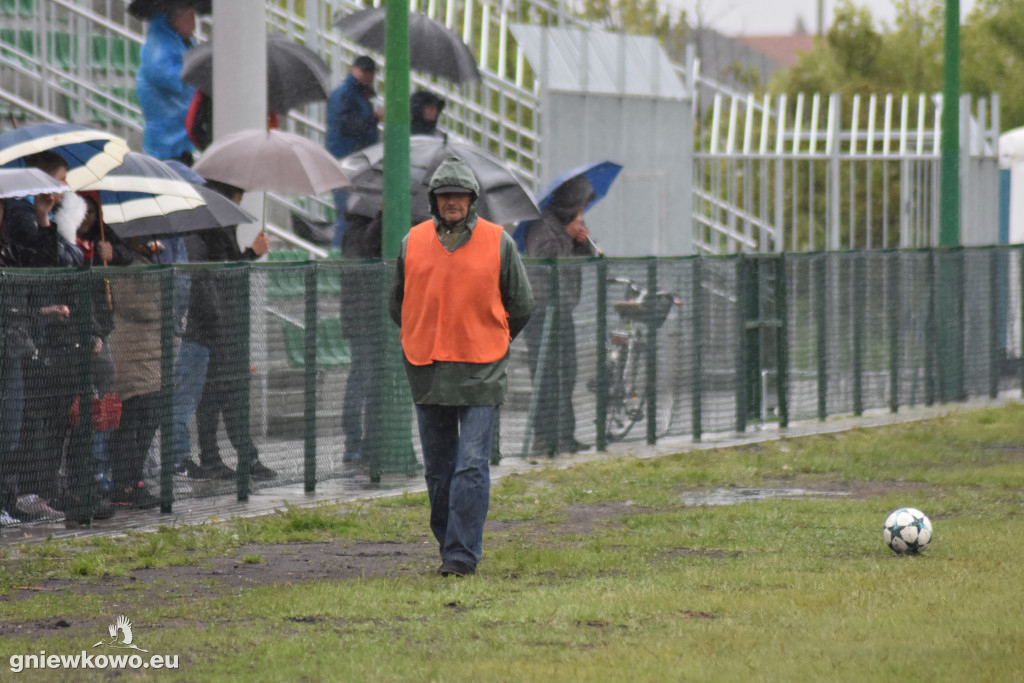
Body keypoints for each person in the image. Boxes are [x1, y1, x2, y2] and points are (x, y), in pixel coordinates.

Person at [389, 156, 534, 577]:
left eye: (459, 194)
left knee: (471, 465)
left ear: (472, 199)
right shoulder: (411, 242)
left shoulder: (499, 242)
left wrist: (492, 339)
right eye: (444, 195)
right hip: (428, 367)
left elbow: (520, 305)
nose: (452, 201)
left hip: (481, 371)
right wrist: (424, 334)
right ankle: (449, 540)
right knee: (438, 470)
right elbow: (398, 304)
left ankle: (461, 554)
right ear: (433, 201)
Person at [178, 180, 276, 481]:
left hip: (225, 327)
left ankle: (244, 455)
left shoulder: (220, 229)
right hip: (212, 329)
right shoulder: (203, 232)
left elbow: (227, 273)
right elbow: (210, 280)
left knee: (229, 394)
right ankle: (213, 457)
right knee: (215, 396)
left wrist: (250, 254)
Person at [522, 175, 598, 455]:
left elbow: (589, 257)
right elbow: (547, 261)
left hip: (563, 310)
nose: (582, 215)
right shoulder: (542, 224)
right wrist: (567, 235)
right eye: (580, 208)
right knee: (546, 375)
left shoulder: (569, 225)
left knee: (568, 372)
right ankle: (544, 437)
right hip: (542, 310)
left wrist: (581, 241)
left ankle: (566, 434)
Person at [325, 55, 382, 248]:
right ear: (353, 69)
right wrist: (374, 117)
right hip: (348, 162)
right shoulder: (346, 94)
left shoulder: (355, 94)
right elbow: (347, 126)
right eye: (363, 71)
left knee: (351, 213)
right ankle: (340, 257)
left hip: (351, 162)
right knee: (347, 212)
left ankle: (342, 255)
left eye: (369, 72)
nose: (366, 75)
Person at [339, 210, 382, 466]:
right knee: (362, 378)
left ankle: (370, 441)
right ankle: (354, 442)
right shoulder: (358, 227)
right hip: (364, 320)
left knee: (372, 380)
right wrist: (379, 220)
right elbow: (362, 259)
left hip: (378, 318)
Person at [136, 2, 198, 164]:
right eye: (188, 16)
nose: (193, 23)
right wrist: (192, 72)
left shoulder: (183, 42)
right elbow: (163, 74)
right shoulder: (159, 42)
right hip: (164, 140)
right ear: (175, 18)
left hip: (181, 135)